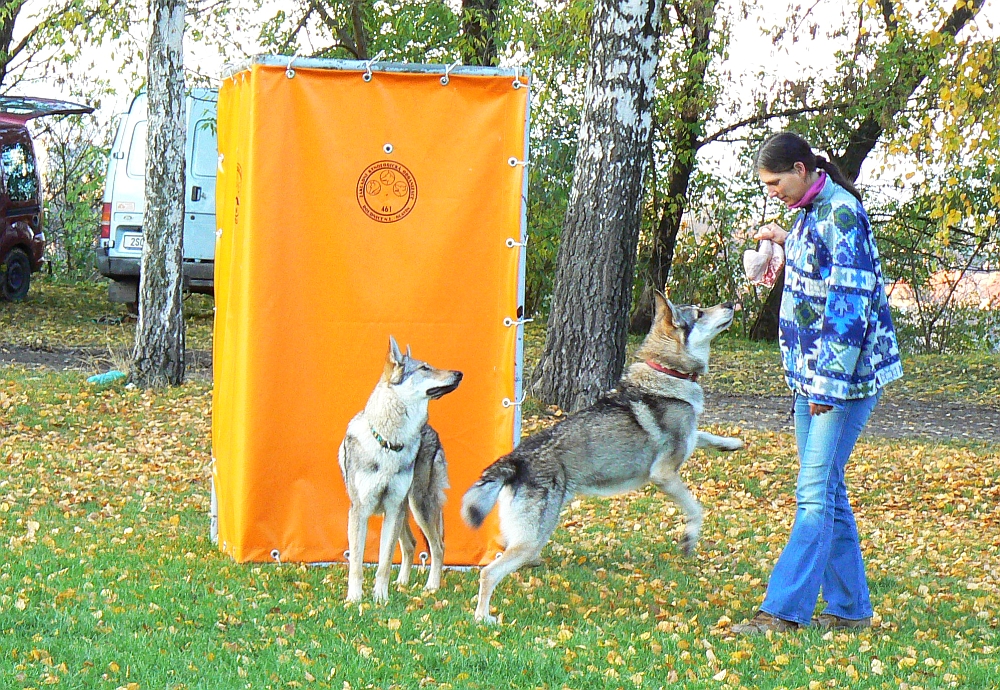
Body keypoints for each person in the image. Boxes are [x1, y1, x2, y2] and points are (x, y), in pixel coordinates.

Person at [731, 131, 903, 635]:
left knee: (813, 495)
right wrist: (785, 243)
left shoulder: (843, 212)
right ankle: (850, 611)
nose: (771, 192)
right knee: (827, 489)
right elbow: (823, 265)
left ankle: (782, 612)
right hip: (813, 377)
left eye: (774, 181)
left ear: (801, 169)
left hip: (840, 383)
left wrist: (826, 389)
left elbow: (850, 306)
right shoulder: (811, 213)